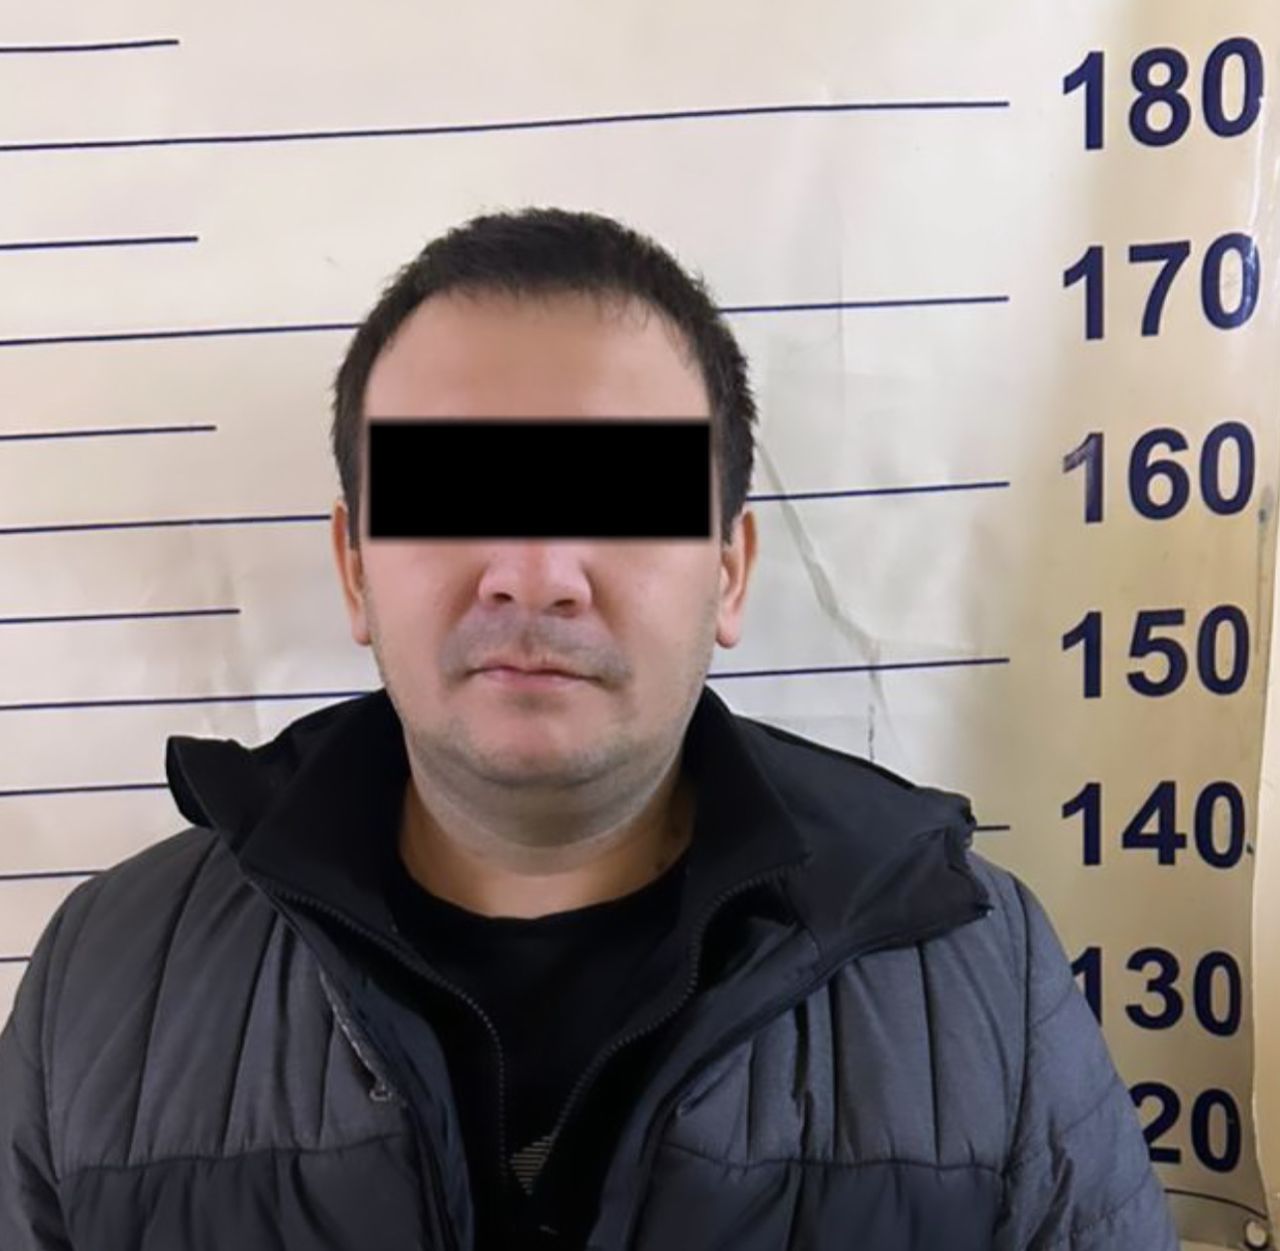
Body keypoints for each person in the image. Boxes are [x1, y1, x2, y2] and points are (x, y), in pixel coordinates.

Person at [0, 206, 1178, 1251]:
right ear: (354, 570)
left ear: (728, 572)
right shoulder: (106, 980)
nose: (533, 573)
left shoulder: (978, 984)